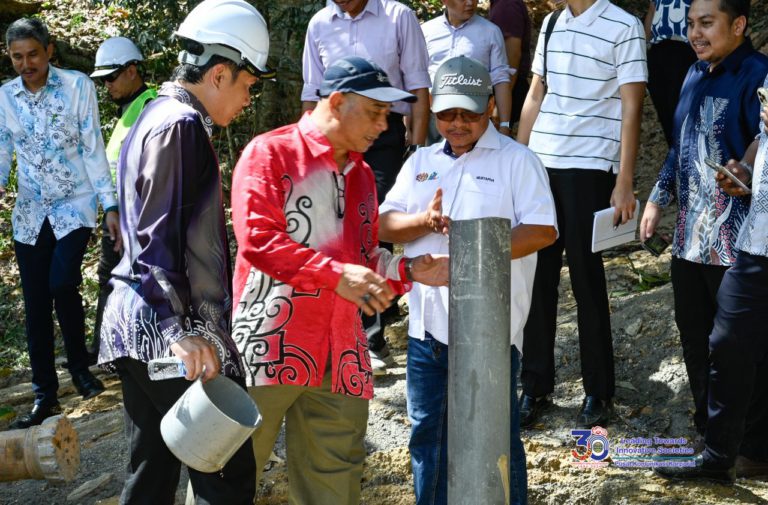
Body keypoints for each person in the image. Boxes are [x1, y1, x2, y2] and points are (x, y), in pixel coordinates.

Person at [230, 56, 449, 505]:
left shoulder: (363, 175)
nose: (383, 126)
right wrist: (336, 275)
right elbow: (258, 241)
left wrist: (407, 270)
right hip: (268, 347)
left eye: (387, 115)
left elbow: (363, 259)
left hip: (342, 354)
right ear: (335, 102)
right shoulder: (270, 153)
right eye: (375, 112)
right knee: (229, 478)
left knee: (335, 488)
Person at [97, 0, 273, 502]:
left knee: (151, 474)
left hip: (134, 321)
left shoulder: (153, 114)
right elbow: (158, 235)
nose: (248, 99)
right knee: (225, 470)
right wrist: (179, 331)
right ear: (219, 74)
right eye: (248, 85)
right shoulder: (181, 125)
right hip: (166, 329)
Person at [379, 55, 557, 505]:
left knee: (494, 442)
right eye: (446, 114)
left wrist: (470, 254)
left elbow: (542, 230)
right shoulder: (419, 162)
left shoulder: (518, 161)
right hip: (427, 332)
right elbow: (382, 224)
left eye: (469, 113)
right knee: (428, 439)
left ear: (490, 108)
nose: (456, 124)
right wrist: (424, 221)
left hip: (489, 332)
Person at [640, 0, 768, 443]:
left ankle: (750, 446)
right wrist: (658, 199)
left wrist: (746, 170)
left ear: (738, 24)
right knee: (694, 338)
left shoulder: (758, 74)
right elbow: (679, 145)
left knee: (739, 347)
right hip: (689, 239)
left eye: (707, 24)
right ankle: (708, 434)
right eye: (692, 24)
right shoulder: (692, 73)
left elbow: (764, 142)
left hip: (738, 243)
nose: (695, 33)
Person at [516, 0, 647, 429]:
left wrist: (624, 180)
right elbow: (536, 93)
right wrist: (517, 162)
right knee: (538, 279)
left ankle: (598, 390)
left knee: (587, 280)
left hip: (590, 165)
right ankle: (534, 384)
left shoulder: (624, 26)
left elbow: (631, 106)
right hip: (541, 165)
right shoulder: (552, 23)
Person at [302, 0, 432, 373]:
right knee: (329, 224)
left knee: (369, 225)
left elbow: (418, 85)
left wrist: (417, 150)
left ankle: (370, 338)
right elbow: (311, 93)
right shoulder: (319, 23)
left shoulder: (398, 16)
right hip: (330, 137)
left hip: (385, 133)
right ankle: (335, 328)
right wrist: (307, 148)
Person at [1, 18, 114, 430]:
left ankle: (79, 369)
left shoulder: (77, 86)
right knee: (35, 305)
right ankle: (44, 395)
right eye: (17, 57)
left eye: (33, 54)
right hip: (31, 213)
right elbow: (2, 151)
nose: (26, 64)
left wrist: (109, 203)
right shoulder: (5, 97)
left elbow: (93, 146)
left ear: (49, 50)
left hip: (75, 205)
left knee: (62, 282)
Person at [656, 76, 768, 484]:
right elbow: (761, 138)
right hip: (756, 241)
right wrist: (746, 167)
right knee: (725, 342)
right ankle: (720, 458)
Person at [88, 36, 157, 362]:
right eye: (103, 80)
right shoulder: (131, 107)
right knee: (110, 279)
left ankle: (112, 353)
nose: (107, 85)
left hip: (132, 215)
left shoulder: (149, 105)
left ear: (132, 70)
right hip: (118, 212)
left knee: (118, 279)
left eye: (111, 77)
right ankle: (106, 351)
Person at [421, 0, 512, 137]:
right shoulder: (427, 31)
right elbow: (417, 77)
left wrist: (505, 124)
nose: (470, 3)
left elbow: (501, 80)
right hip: (433, 115)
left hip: (473, 117)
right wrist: (410, 120)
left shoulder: (490, 32)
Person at [644, 0, 697, 147]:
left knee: (681, 108)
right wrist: (645, 45)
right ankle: (676, 153)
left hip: (685, 48)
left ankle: (689, 152)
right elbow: (652, 10)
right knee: (665, 110)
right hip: (657, 50)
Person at [489, 0, 533, 127]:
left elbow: (512, 55)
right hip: (503, 87)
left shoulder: (506, 5)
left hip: (508, 87)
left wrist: (500, 105)